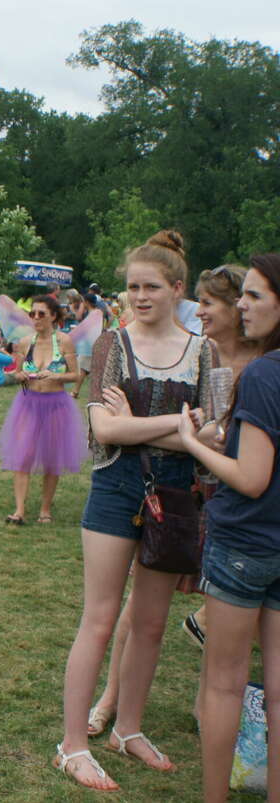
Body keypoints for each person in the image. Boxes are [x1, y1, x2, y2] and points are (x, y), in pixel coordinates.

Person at [54, 230, 213, 792]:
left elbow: (213, 436)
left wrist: (172, 431)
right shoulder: (111, 346)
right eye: (131, 288)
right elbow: (106, 430)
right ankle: (72, 744)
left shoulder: (204, 350)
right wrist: (179, 425)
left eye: (150, 287)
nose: (139, 297)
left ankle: (129, 729)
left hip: (176, 495)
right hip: (117, 487)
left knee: (148, 624)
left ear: (177, 289)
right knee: (99, 619)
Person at [174, 253, 280, 803]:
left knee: (224, 683)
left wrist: (194, 444)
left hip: (246, 542)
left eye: (257, 295)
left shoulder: (264, 372)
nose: (243, 304)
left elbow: (252, 478)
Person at [181, 263, 259, 648]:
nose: (198, 311)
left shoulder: (262, 361)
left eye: (208, 302)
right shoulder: (202, 355)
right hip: (206, 484)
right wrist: (199, 421)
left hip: (251, 486)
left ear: (235, 308)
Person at [0, 295, 86, 524]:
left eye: (41, 314)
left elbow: (75, 374)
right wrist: (20, 375)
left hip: (56, 404)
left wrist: (57, 375)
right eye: (32, 313)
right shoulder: (26, 342)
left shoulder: (64, 341)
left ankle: (45, 510)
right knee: (23, 454)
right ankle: (19, 511)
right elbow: (16, 372)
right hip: (28, 402)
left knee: (52, 457)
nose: (35, 317)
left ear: (53, 316)